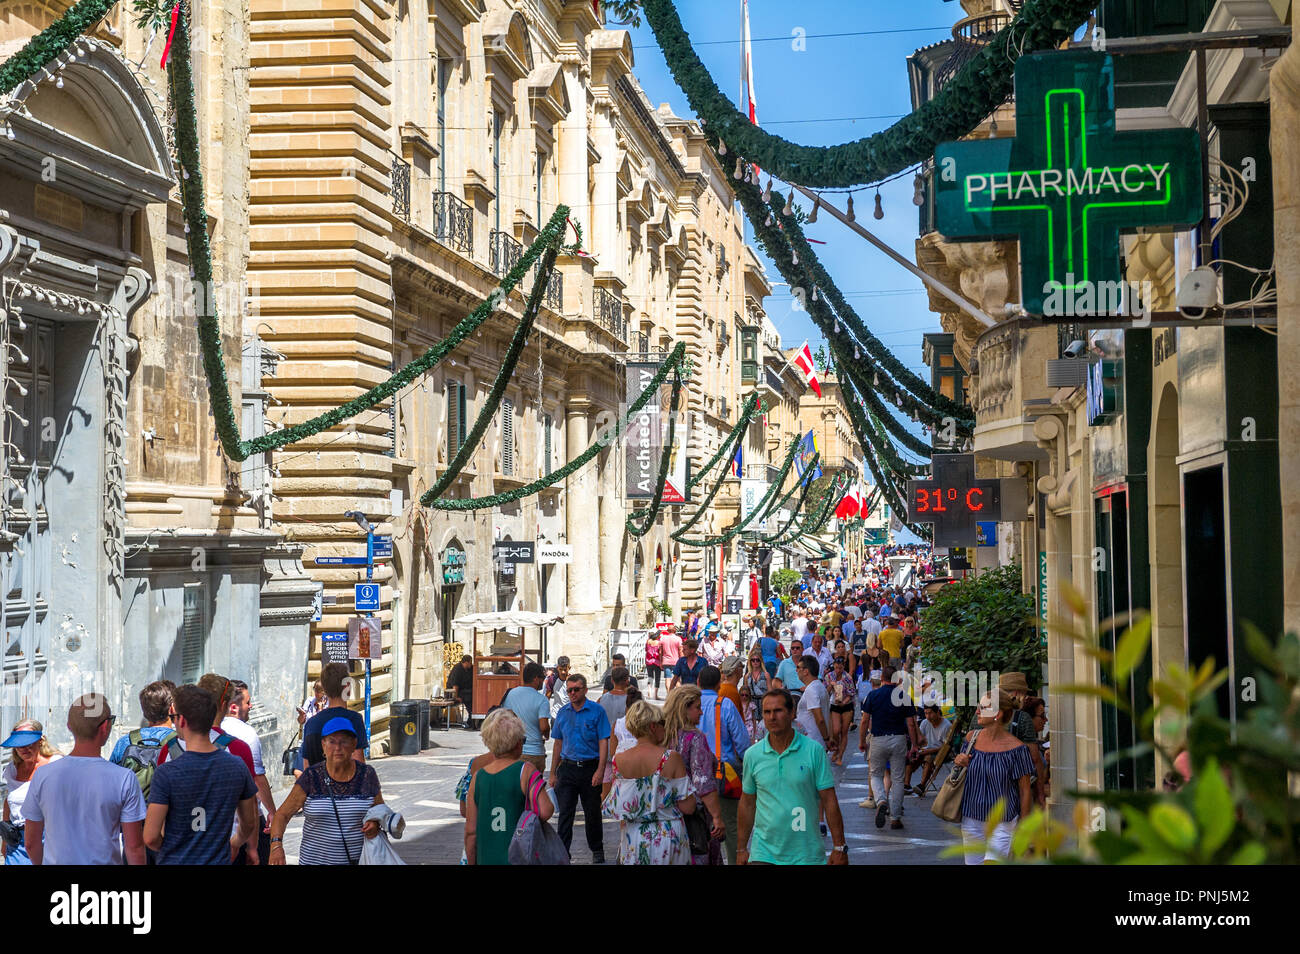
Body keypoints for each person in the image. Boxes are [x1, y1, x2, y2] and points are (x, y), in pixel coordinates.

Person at [23, 694, 147, 865]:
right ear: (105, 727)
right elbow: (134, 847)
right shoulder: (124, 779)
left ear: (69, 727)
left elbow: (30, 843)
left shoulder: (42, 776)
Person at [144, 684, 258, 865]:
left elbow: (150, 837)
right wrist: (234, 842)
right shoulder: (236, 766)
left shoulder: (166, 773)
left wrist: (170, 847)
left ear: (182, 721)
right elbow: (249, 823)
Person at [738, 688, 847, 865]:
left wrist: (839, 846)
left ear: (792, 714)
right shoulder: (753, 755)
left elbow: (829, 800)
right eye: (767, 712)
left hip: (806, 854)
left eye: (778, 711)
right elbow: (747, 803)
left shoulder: (814, 751)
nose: (772, 717)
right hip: (763, 854)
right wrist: (741, 848)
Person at [270, 716, 384, 865]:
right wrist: (276, 846)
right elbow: (282, 815)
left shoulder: (367, 775)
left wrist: (375, 823)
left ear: (354, 744)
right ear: (323, 745)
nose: (338, 747)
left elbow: (380, 810)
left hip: (359, 860)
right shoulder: (311, 777)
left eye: (344, 741)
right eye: (332, 741)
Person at [601, 701, 696, 865]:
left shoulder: (619, 760)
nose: (665, 728)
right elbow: (688, 806)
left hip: (634, 835)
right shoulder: (670, 758)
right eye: (662, 723)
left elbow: (618, 805)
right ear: (653, 726)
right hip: (667, 834)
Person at [954, 692, 1034, 864]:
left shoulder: (1018, 749)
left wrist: (1025, 827)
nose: (977, 712)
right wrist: (960, 761)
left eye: (982, 708)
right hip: (971, 819)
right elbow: (960, 771)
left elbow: (1025, 790)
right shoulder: (971, 739)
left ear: (997, 714)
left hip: (1002, 823)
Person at [464, 709, 553, 865]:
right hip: (519, 858)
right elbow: (545, 811)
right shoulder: (526, 771)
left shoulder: (478, 778)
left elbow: (471, 832)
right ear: (517, 743)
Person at [549, 673, 612, 863]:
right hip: (567, 769)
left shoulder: (597, 711)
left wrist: (600, 770)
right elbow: (558, 743)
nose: (573, 693)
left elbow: (603, 741)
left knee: (592, 812)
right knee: (565, 813)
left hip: (589, 768)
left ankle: (597, 850)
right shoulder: (563, 712)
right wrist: (552, 772)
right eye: (569, 690)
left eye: (576, 689)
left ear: (585, 690)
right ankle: (563, 852)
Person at [697, 665, 750, 864]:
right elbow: (742, 743)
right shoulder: (725, 705)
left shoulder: (688, 704)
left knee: (698, 825)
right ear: (719, 684)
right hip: (724, 773)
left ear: (698, 682)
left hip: (695, 776)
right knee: (731, 825)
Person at [221, 679, 277, 865]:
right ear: (234, 707)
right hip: (243, 821)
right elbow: (257, 780)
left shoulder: (207, 730)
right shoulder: (246, 734)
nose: (251, 706)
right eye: (247, 702)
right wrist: (272, 811)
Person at [860, 666, 920, 830]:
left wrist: (862, 741)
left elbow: (864, 720)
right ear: (897, 680)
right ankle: (895, 818)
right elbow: (911, 723)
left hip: (878, 739)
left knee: (876, 775)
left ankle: (880, 800)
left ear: (882, 679)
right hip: (899, 739)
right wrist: (914, 745)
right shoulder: (903, 696)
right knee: (898, 779)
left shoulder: (873, 695)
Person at [2, 720, 61, 865]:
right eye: (18, 746)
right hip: (16, 840)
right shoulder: (12, 769)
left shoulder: (56, 764)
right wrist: (4, 839)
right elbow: (9, 801)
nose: (23, 749)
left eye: (28, 744)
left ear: (41, 741)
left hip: (47, 837)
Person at [301, 662, 367, 768]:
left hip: (317, 783)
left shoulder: (311, 723)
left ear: (325, 689)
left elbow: (306, 766)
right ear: (347, 687)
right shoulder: (354, 720)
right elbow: (358, 763)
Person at [109, 680, 176, 771]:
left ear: (144, 710)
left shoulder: (124, 742)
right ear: (171, 708)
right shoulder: (179, 742)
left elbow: (113, 776)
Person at [503, 662, 551, 773]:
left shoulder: (510, 694)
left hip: (514, 752)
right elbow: (543, 727)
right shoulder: (542, 700)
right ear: (536, 679)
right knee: (533, 788)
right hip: (534, 753)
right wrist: (547, 734)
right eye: (542, 678)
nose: (543, 681)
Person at [906, 704, 952, 794]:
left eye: (930, 713)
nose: (928, 716)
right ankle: (906, 784)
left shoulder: (946, 725)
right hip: (925, 750)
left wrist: (929, 751)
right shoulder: (925, 722)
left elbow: (945, 747)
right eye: (926, 713)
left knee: (929, 757)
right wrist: (916, 748)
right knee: (911, 756)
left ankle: (922, 786)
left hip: (939, 752)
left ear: (937, 712)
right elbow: (920, 739)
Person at [823, 656, 856, 765]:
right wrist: (831, 686)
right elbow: (825, 692)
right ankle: (836, 749)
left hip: (846, 705)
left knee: (844, 731)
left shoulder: (848, 677)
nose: (838, 670)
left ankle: (840, 756)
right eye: (836, 668)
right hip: (835, 705)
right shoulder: (829, 676)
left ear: (843, 667)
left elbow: (851, 693)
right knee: (836, 730)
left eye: (840, 668)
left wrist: (844, 702)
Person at [794, 656, 831, 750]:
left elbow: (820, 718)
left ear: (806, 671)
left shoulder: (811, 689)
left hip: (812, 741)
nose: (796, 670)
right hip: (815, 741)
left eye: (798, 667)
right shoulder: (819, 686)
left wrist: (826, 739)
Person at [741, 652, 770, 741]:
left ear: (761, 661)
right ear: (750, 662)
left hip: (763, 700)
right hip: (752, 701)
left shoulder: (766, 674)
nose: (755, 662)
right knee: (751, 723)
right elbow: (745, 691)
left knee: (765, 724)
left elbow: (770, 690)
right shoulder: (747, 676)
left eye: (757, 660)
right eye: (753, 660)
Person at [772, 638, 805, 704]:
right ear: (790, 650)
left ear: (802, 649)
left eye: (797, 648)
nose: (795, 650)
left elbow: (817, 679)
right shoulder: (784, 663)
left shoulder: (808, 662)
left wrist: (808, 687)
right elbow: (777, 680)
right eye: (793, 648)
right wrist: (781, 689)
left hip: (805, 695)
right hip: (789, 696)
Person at [447, 654, 475, 725]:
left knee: (472, 694)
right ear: (466, 662)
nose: (471, 664)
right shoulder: (458, 669)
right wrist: (456, 697)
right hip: (454, 692)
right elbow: (455, 686)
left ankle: (472, 716)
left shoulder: (469, 669)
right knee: (468, 697)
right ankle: (471, 716)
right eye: (470, 663)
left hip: (464, 690)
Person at [645, 630, 664, 699]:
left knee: (650, 677)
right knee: (657, 678)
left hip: (648, 661)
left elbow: (646, 649)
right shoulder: (659, 643)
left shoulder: (648, 641)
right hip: (657, 662)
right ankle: (655, 695)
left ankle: (649, 692)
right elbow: (660, 653)